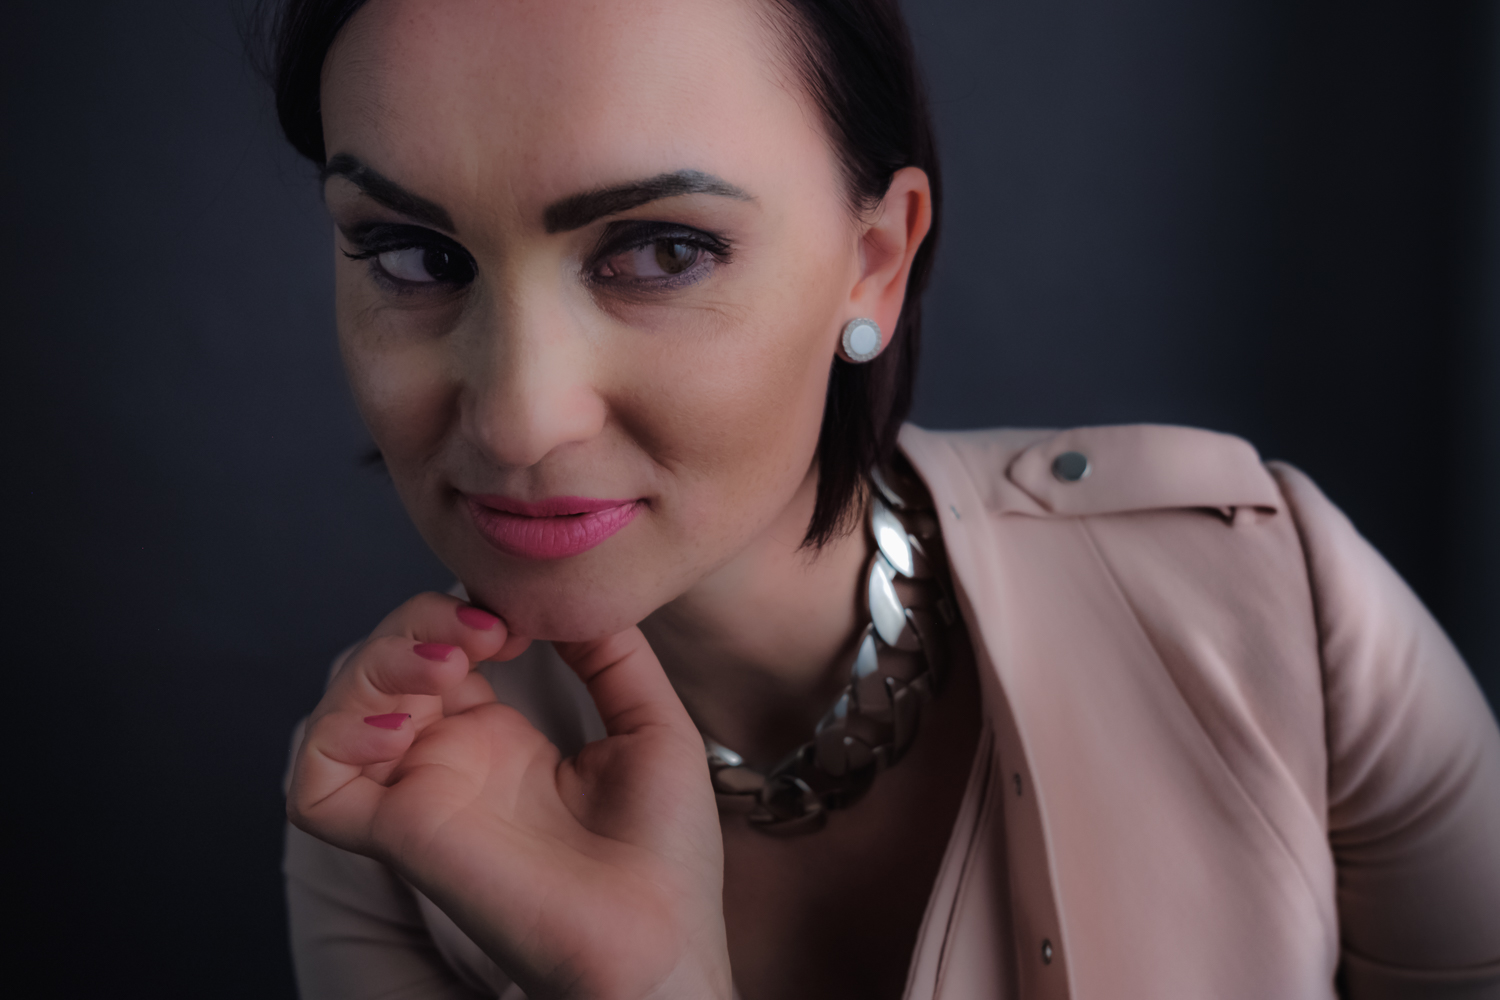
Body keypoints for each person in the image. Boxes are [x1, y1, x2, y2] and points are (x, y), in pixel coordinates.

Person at [271, 1, 1500, 997]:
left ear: (875, 261)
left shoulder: (1274, 602)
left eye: (660, 250)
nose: (516, 417)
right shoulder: (391, 806)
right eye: (411, 254)